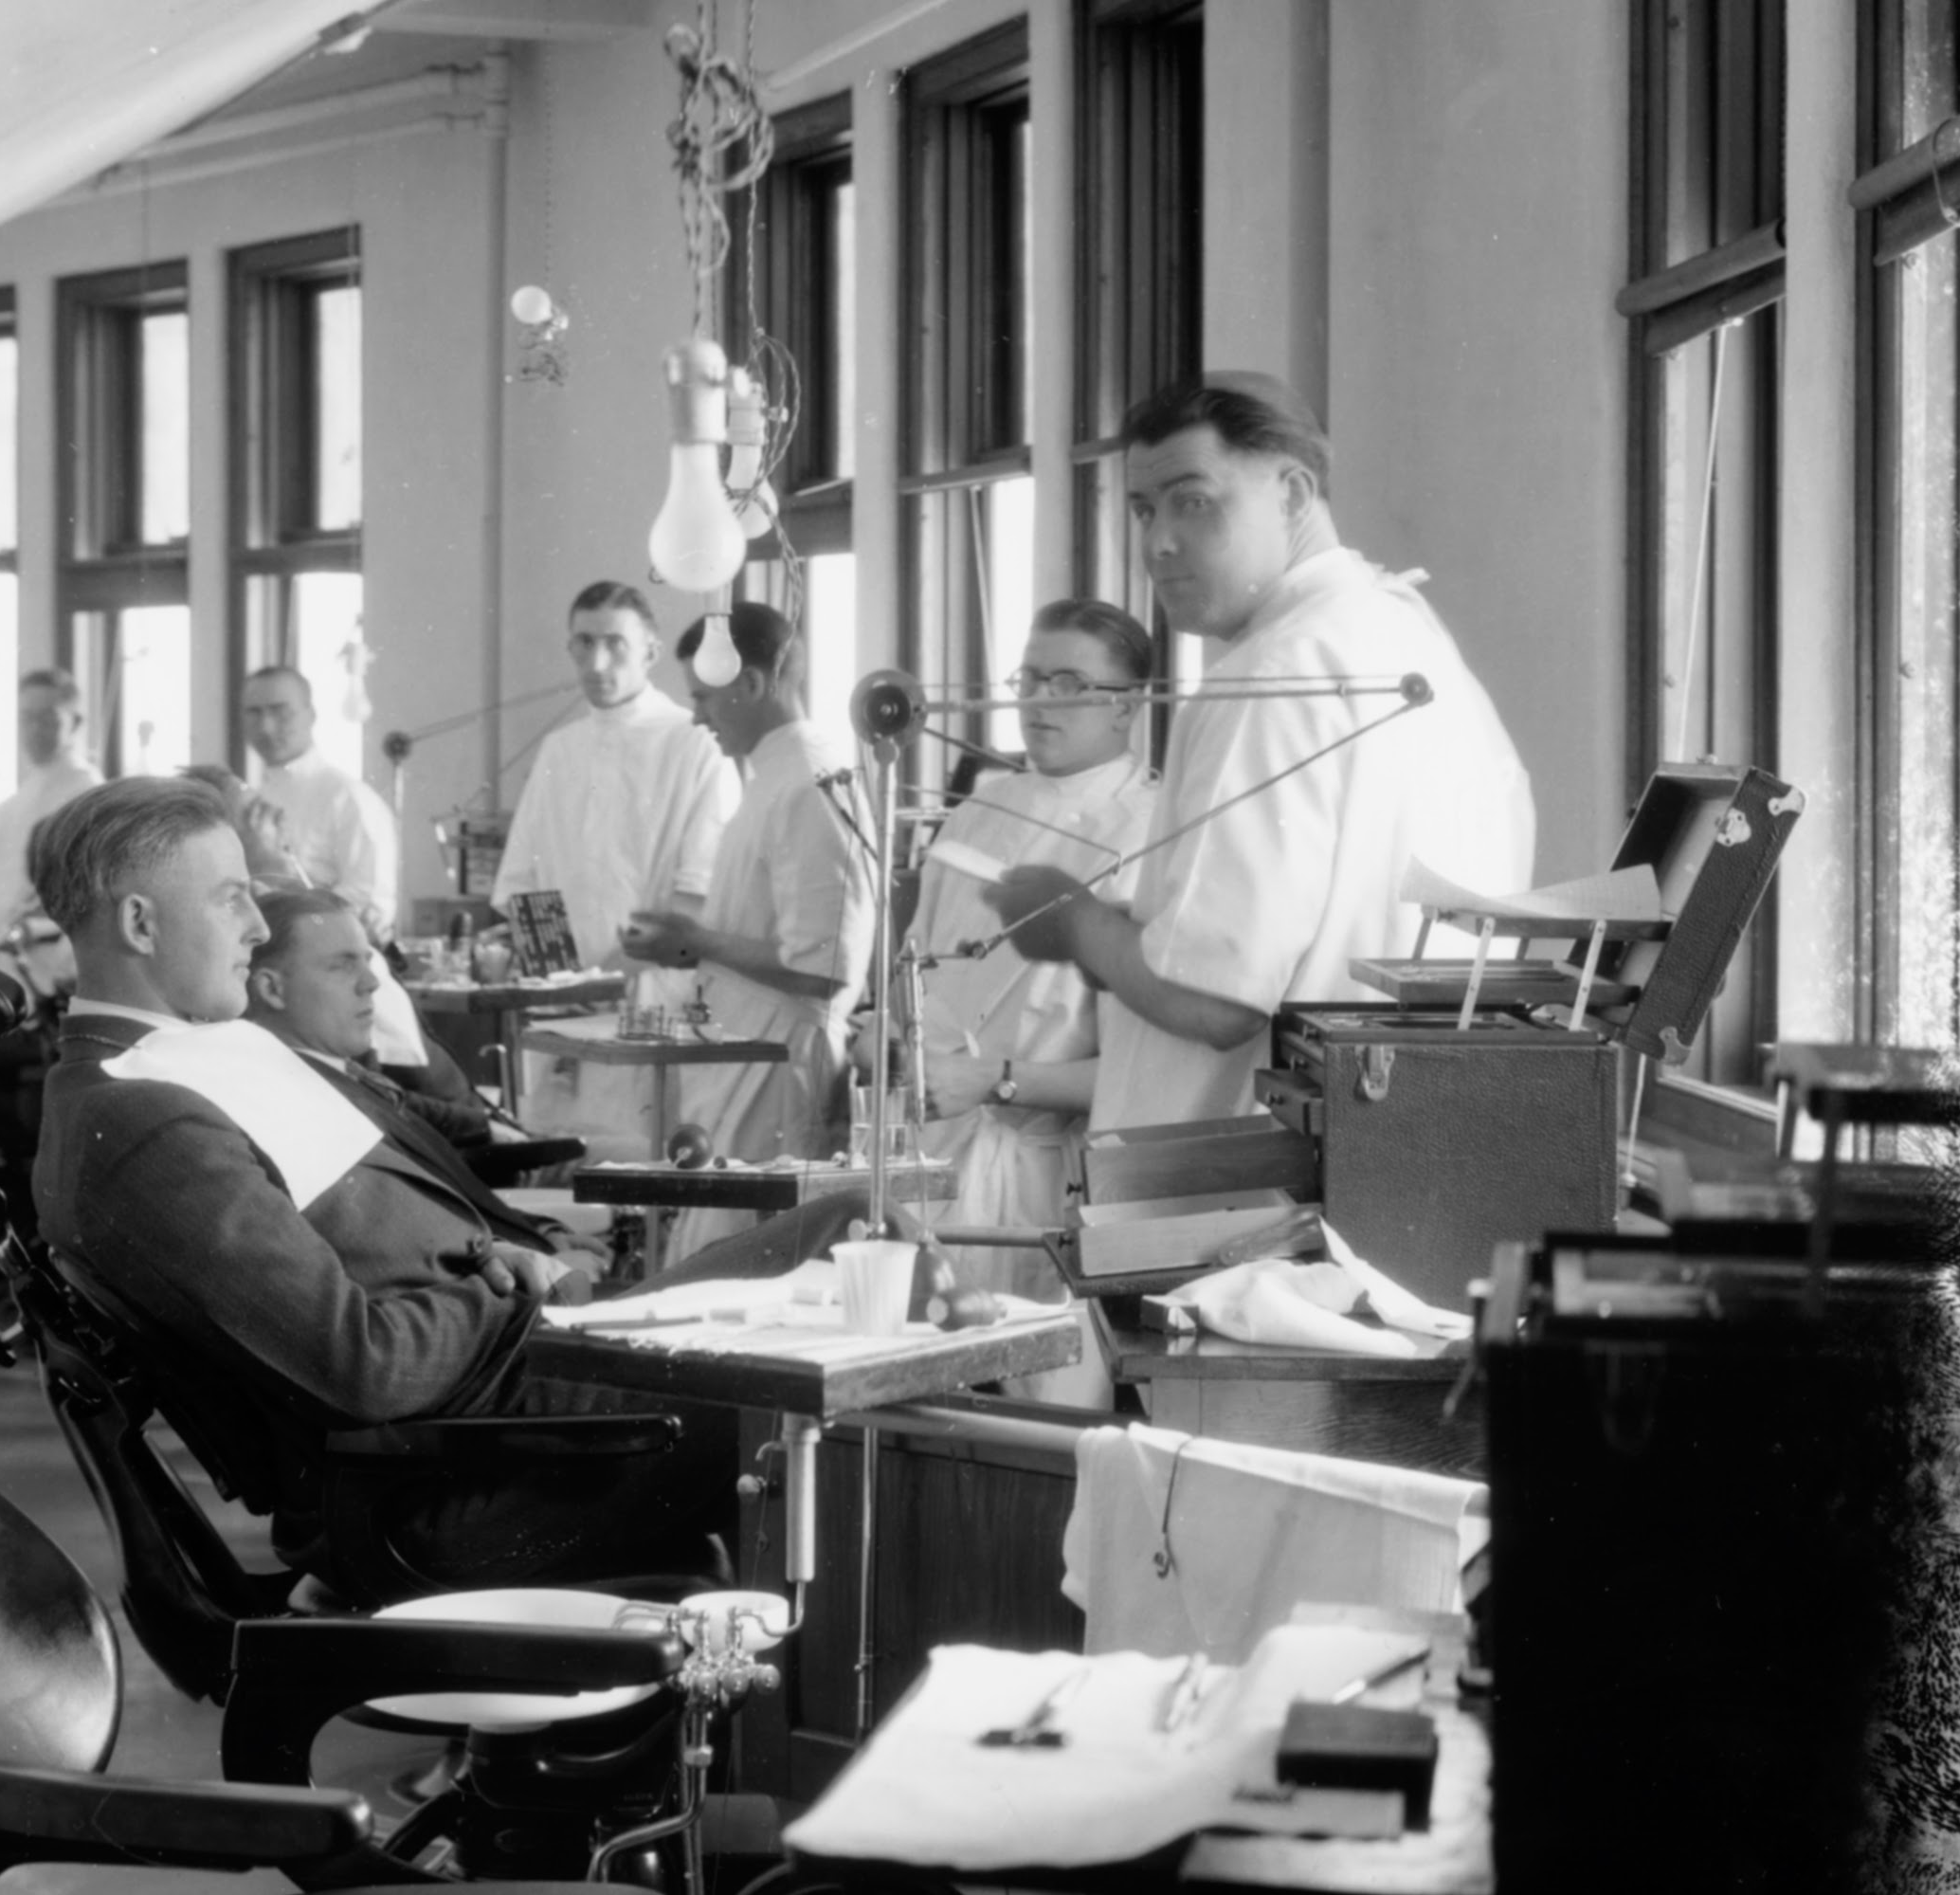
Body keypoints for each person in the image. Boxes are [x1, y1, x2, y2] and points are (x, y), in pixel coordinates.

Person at [29, 776, 865, 1594]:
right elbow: (360, 1364)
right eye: (230, 898)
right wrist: (508, 1288)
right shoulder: (140, 1116)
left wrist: (499, 1252)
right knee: (846, 1398)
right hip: (469, 1473)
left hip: (531, 1390)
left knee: (850, 1227)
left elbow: (375, 1227)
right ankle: (843, 1712)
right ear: (139, 922)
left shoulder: (191, 1055)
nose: (256, 925)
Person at [988, 373, 1535, 1132]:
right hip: (1400, 1137)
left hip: (1246, 1177)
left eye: (1194, 500)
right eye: (1145, 509)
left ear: (1291, 493)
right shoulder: (1404, 631)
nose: (1157, 543)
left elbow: (1215, 1001)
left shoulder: (1268, 672)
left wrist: (1073, 922)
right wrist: (1137, 930)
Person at [897, 601, 1159, 1406]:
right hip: (931, 1158)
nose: (1039, 700)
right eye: (1030, 678)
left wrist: (995, 1081)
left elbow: (1141, 1069)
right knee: (912, 1412)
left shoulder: (1156, 829)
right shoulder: (982, 806)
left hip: (1051, 1179)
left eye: (1069, 682)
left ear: (1127, 702)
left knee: (1033, 1434)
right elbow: (918, 978)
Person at [624, 604, 877, 1253]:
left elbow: (824, 968)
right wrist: (690, 942)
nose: (698, 715)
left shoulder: (812, 783)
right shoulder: (773, 778)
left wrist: (697, 940)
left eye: (706, 697)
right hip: (748, 1051)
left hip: (781, 1060)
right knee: (709, 1254)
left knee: (740, 1260)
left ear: (756, 684)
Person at [490, 581, 739, 1158]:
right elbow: (526, 885)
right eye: (582, 643)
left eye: (615, 645)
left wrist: (609, 978)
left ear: (650, 651)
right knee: (560, 1165)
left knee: (645, 1165)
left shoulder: (695, 744)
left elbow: (693, 898)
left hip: (653, 1000)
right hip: (564, 1004)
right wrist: (560, 981)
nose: (596, 663)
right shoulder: (560, 749)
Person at [243, 884, 591, 1270]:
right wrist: (540, 1258)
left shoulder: (342, 1073)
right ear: (272, 989)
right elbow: (402, 1239)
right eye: (341, 966)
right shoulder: (302, 1103)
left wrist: (541, 1233)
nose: (371, 983)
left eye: (366, 962)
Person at [239, 665, 398, 943]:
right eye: (254, 713)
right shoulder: (253, 797)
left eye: (280, 711)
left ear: (311, 714)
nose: (266, 727)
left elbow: (371, 903)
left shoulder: (347, 797)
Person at [0, 667, 101, 945]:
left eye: (48, 719)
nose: (35, 729)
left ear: (74, 723)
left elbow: (85, 889)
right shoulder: (8, 808)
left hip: (50, 956)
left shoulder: (89, 796)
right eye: (26, 718)